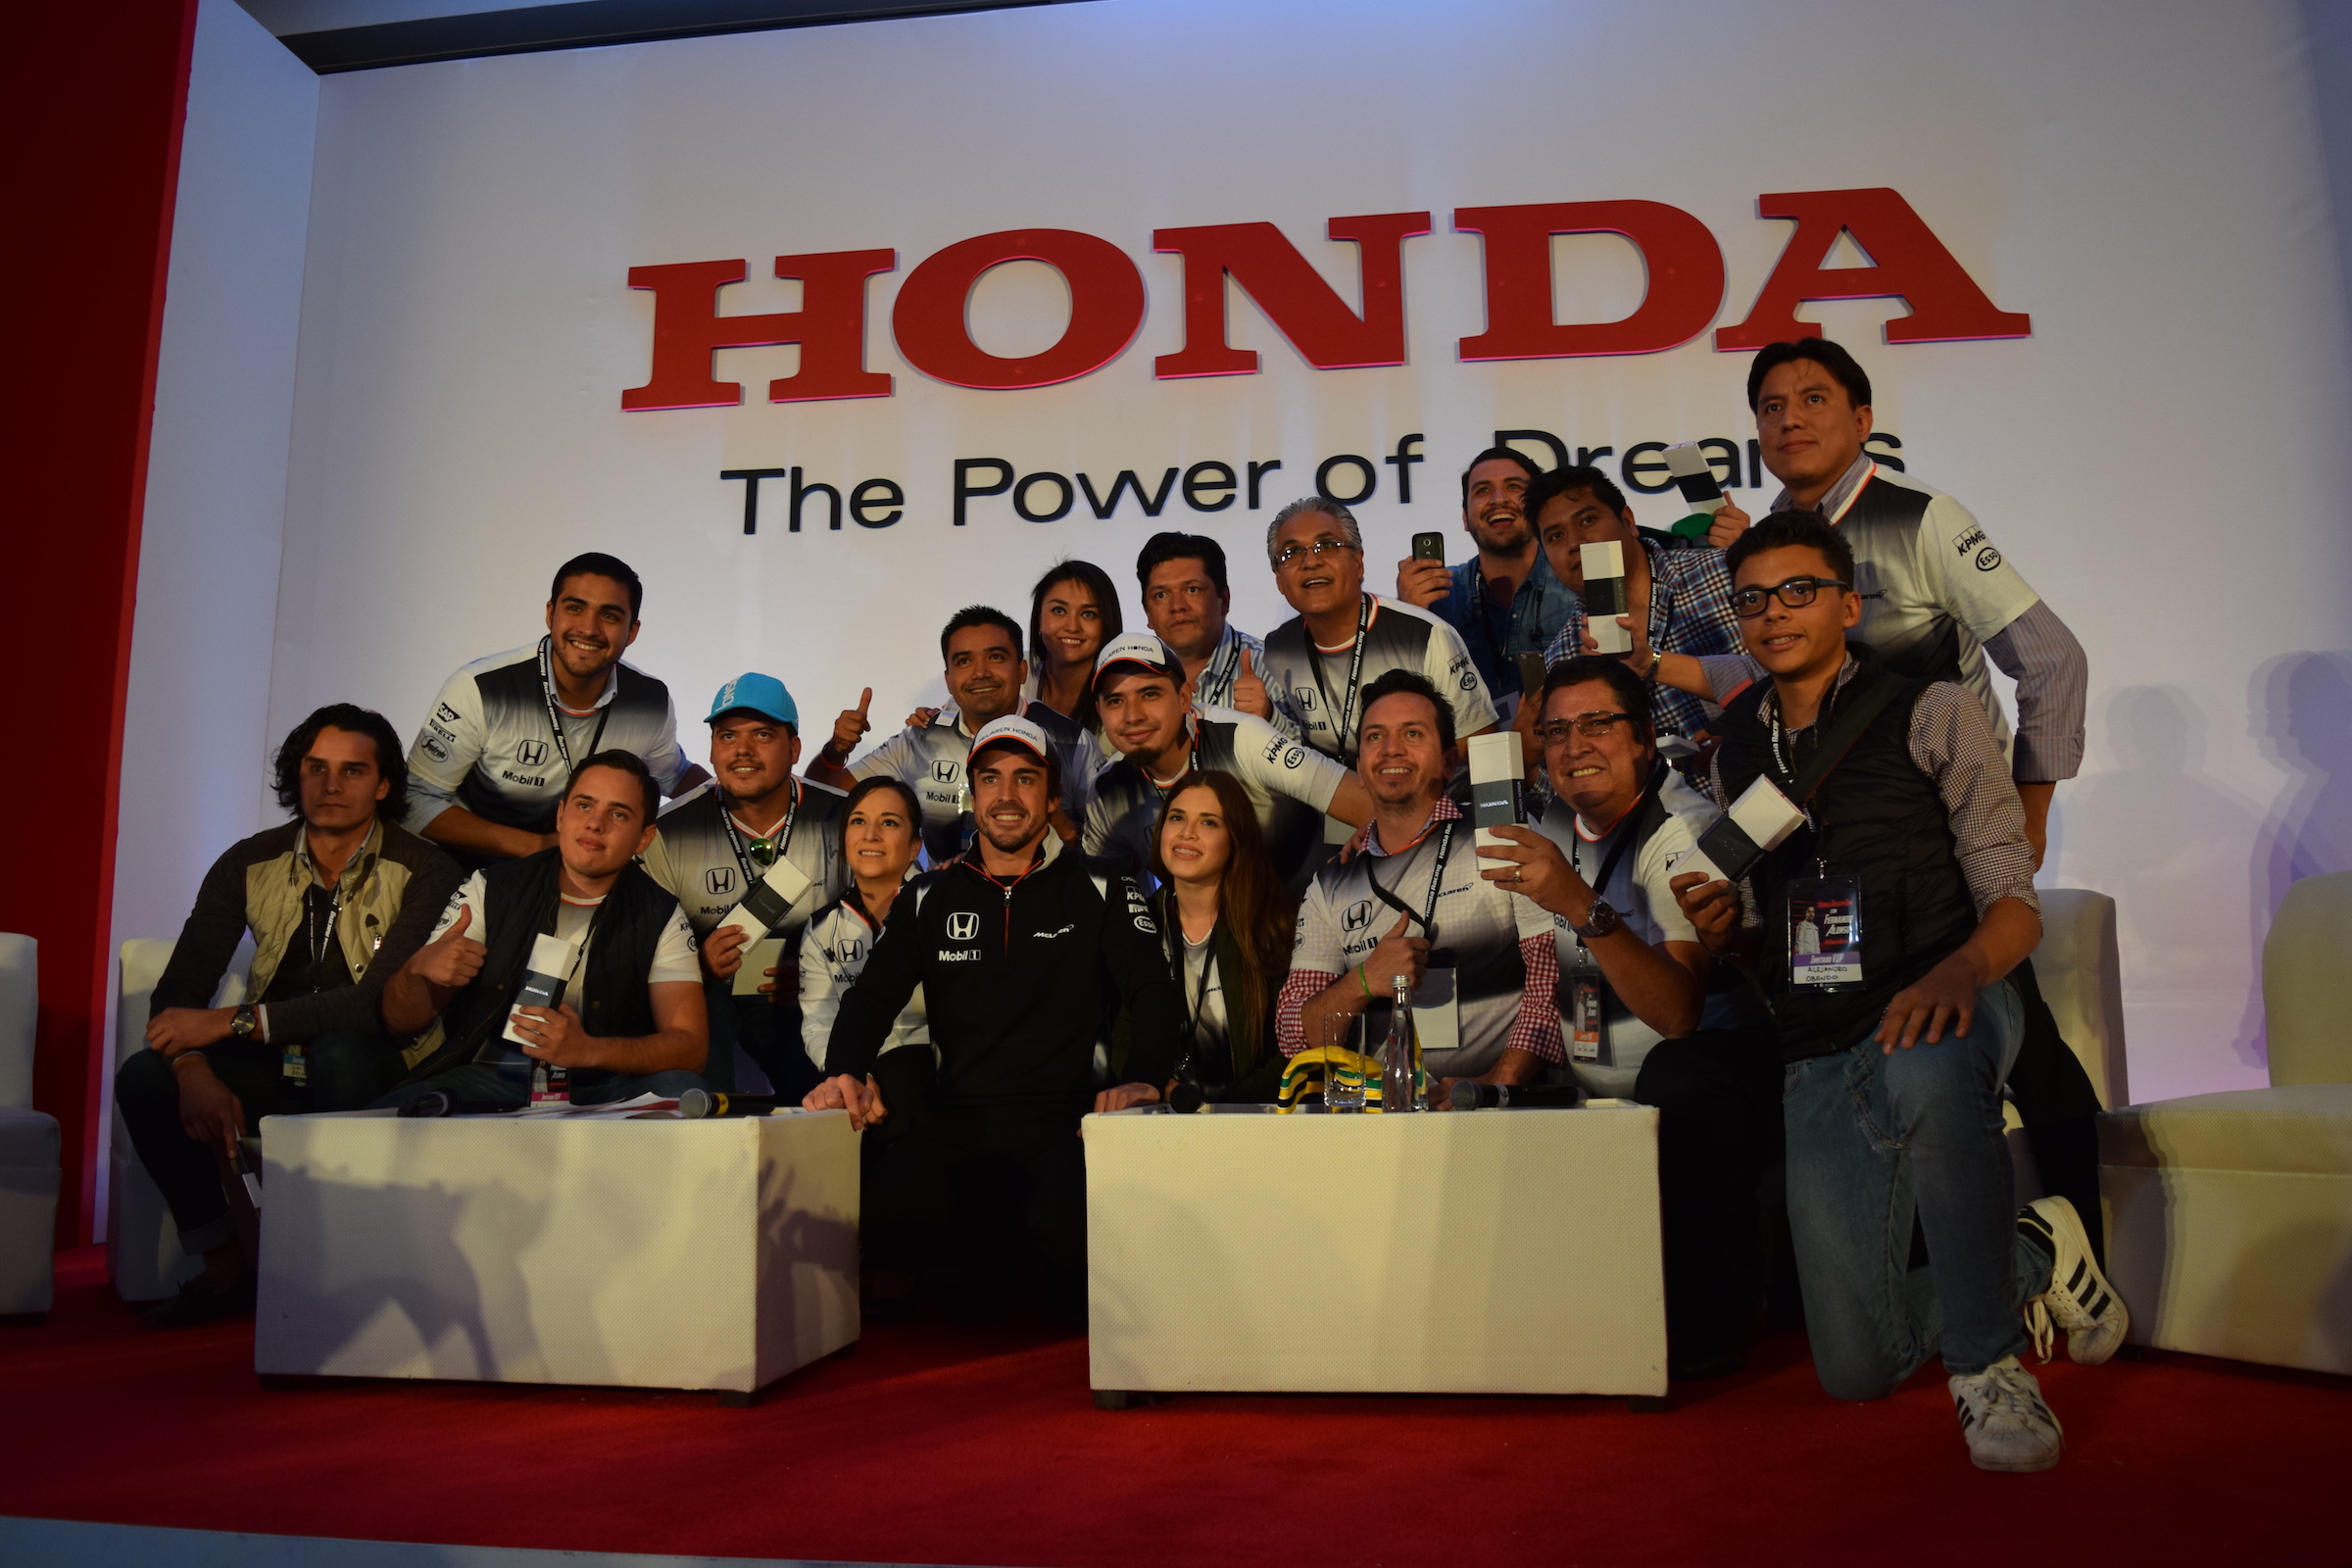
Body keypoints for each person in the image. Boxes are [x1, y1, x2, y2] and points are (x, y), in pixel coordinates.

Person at [1674, 513, 2124, 1472]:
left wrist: (1959, 969)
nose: (1773, 612)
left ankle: (1989, 1369)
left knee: (1928, 1057)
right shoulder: (1730, 751)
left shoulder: (1934, 711)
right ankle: (2036, 1249)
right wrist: (1726, 935)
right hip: (1818, 1039)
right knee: (1857, 1365)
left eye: (1798, 590)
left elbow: (2015, 908)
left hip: (1950, 997)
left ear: (1847, 606)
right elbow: (1764, 940)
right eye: (1752, 599)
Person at [1745, 335, 2104, 1261]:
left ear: (1863, 419)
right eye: (1772, 406)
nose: (1790, 419)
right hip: (1840, 850)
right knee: (1875, 1052)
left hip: (1948, 827)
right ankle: (1915, 1279)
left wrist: (2028, 810)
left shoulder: (1923, 518)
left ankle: (2079, 1256)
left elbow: (2053, 661)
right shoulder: (1769, 539)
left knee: (2016, 1040)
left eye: (1813, 399)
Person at [806, 714, 1178, 1320]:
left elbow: (1153, 992)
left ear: (1052, 797)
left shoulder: (1105, 884)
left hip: (1067, 1121)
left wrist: (1145, 1079)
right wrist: (843, 1072)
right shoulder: (928, 896)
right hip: (960, 1118)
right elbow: (870, 998)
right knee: (883, 1223)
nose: (1006, 796)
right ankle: (992, 1251)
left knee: (1072, 1239)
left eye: (1025, 779)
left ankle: (1020, 1256)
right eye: (990, 779)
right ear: (972, 794)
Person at [1474, 657, 1779, 1380]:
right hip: (1597, 1088)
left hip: (1708, 1090)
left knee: (1678, 1070)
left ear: (1643, 737)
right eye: (1555, 731)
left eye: (1597, 725)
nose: (1574, 745)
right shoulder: (1555, 816)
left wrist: (1581, 904)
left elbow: (1677, 1014)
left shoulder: (1682, 830)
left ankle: (1714, 1326)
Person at [115, 705, 462, 1327]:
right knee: (144, 1077)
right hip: (275, 1065)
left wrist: (231, 1023)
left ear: (384, 785)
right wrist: (192, 1067)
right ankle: (226, 1268)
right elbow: (178, 994)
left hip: (384, 1063)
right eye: (315, 768)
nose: (331, 785)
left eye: (353, 771)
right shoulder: (247, 861)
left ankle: (339, 1275)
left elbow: (374, 1006)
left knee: (340, 1052)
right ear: (295, 776)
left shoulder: (428, 868)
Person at [373, 750, 710, 1110]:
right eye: (584, 806)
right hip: (491, 1078)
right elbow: (400, 1021)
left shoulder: (661, 914)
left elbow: (690, 1048)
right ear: (561, 815)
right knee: (387, 1116)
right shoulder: (489, 888)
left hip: (604, 1085)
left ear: (644, 837)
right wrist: (417, 971)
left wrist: (589, 1051)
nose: (595, 823)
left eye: (618, 814)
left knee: (682, 1088)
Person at [1277, 670, 1559, 1094]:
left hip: (1501, 1110)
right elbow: (1295, 1038)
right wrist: (1363, 981)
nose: (1391, 748)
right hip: (1380, 1112)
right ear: (1360, 767)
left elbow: (1551, 976)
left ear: (1448, 761)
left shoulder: (1498, 833)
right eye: (1375, 736)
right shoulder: (1331, 881)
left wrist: (1493, 1085)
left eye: (1412, 734)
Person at [404, 553, 701, 863]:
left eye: (609, 615)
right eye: (575, 608)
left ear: (632, 631)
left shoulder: (651, 700)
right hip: (466, 871)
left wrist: (733, 800)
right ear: (550, 614)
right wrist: (534, 846)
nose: (589, 628)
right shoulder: (480, 687)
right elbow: (414, 799)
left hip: (577, 875)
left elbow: (674, 776)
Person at [639, 674, 845, 1102]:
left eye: (762, 735)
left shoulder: (844, 819)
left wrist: (824, 972)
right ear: (712, 749)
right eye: (727, 735)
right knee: (696, 1034)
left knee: (823, 1079)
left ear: (794, 749)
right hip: (708, 995)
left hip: (810, 998)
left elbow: (889, 927)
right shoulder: (667, 831)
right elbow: (636, 951)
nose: (742, 750)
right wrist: (696, 963)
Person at [1083, 632, 1373, 889]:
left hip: (1302, 915)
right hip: (1200, 926)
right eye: (1115, 701)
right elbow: (1101, 893)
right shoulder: (1105, 791)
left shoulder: (1242, 738)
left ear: (1184, 698)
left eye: (1149, 694)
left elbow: (1371, 806)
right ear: (1099, 711)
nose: (1133, 716)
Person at [808, 606, 1095, 865]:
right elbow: (822, 799)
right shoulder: (920, 738)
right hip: (945, 901)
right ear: (948, 679)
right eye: (964, 661)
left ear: (1021, 670)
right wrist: (835, 751)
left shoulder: (1073, 740)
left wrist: (1055, 821)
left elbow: (1104, 848)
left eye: (995, 657)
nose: (980, 672)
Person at [1258, 497, 1499, 796]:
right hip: (1334, 810)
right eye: (1292, 552)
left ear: (1358, 562)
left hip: (1438, 811)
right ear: (1279, 579)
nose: (1311, 562)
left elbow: (1483, 751)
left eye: (1327, 545)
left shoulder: (1424, 634)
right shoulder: (1278, 650)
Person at [1531, 465, 1762, 746]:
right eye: (1555, 536)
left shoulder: (1725, 573)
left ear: (1629, 521)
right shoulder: (1562, 657)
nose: (1575, 542)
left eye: (1587, 520)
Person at [1126, 771, 1299, 1105]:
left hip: (1255, 1118)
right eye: (1177, 818)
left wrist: (1224, 1114)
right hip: (1162, 1117)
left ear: (1236, 839)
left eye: (1208, 822)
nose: (1187, 833)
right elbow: (1123, 1033)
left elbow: (1295, 1050)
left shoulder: (1276, 924)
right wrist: (1162, 1088)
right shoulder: (1138, 921)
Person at [1394, 447, 1577, 711]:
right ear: (1465, 518)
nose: (1498, 499)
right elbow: (1403, 694)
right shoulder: (1437, 593)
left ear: (1541, 511)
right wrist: (1408, 616)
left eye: (1514, 487)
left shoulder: (1575, 583)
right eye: (1482, 490)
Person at [800, 776, 930, 1077]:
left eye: (889, 823)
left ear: (914, 846)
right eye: (858, 821)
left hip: (935, 1076)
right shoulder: (820, 929)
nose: (870, 835)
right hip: (857, 1077)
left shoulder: (943, 908)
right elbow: (819, 1025)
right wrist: (850, 1078)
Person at [1134, 531, 1285, 727]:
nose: (1177, 606)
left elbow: (1313, 746)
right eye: (1161, 595)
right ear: (1147, 613)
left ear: (1224, 600)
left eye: (1192, 590)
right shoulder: (1134, 678)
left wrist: (1271, 718)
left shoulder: (1272, 667)